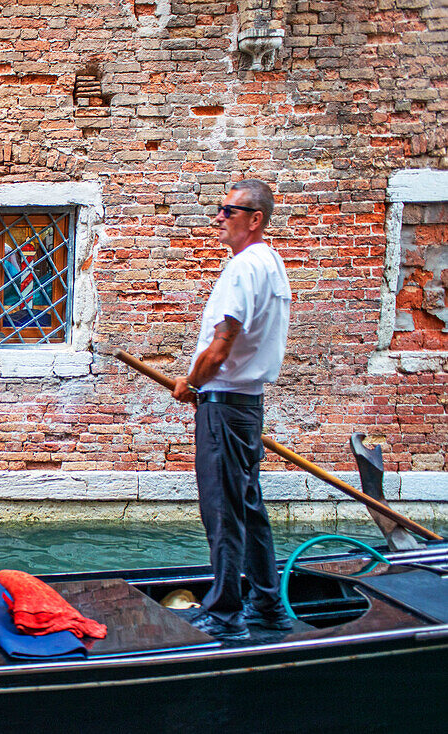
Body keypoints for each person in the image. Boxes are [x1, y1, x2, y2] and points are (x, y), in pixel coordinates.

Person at [171, 179, 293, 641]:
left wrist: (191, 381)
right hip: (247, 406)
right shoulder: (272, 263)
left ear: (255, 219)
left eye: (228, 211)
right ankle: (268, 606)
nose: (218, 218)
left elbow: (220, 349)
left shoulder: (243, 269)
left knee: (223, 510)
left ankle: (225, 614)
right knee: (249, 506)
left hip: (222, 405)